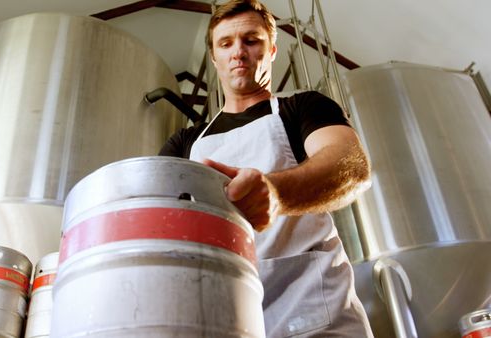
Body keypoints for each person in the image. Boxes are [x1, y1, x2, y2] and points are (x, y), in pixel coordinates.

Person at [159, 0, 374, 337]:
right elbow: (156, 216)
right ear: (214, 57)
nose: (238, 52)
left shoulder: (302, 107)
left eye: (251, 40)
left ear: (272, 49)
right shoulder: (185, 142)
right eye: (226, 43)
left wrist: (277, 193)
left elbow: (350, 165)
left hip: (311, 310)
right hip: (221, 314)